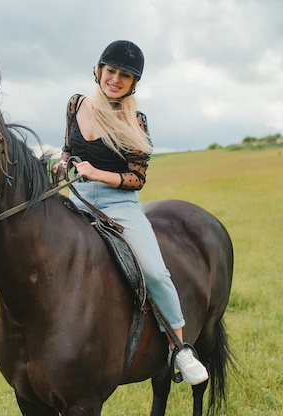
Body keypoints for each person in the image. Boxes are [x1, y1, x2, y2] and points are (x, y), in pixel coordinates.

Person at [53, 40, 208, 385]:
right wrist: (63, 165)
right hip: (76, 200)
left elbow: (137, 178)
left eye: (125, 75)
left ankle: (180, 349)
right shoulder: (75, 104)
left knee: (154, 271)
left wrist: (95, 173)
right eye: (111, 71)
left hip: (118, 205)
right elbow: (68, 149)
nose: (116, 79)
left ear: (134, 83)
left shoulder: (135, 120)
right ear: (99, 70)